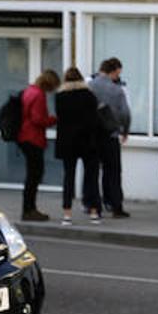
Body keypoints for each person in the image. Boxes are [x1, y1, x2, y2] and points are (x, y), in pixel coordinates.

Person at [52, 67, 100, 226]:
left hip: (68, 142)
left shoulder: (60, 97)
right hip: (88, 140)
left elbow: (60, 118)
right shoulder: (89, 96)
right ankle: (94, 213)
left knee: (68, 177)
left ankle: (67, 214)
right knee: (91, 177)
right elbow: (95, 119)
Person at [88, 57, 131, 218]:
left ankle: (93, 206)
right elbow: (125, 113)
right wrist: (125, 131)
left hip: (92, 135)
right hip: (110, 135)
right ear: (113, 71)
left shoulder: (89, 86)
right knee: (113, 171)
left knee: (92, 171)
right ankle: (115, 206)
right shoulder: (116, 90)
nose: (118, 78)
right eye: (117, 74)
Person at [16, 68, 60, 221]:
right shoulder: (39, 95)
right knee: (34, 175)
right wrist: (53, 119)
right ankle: (29, 210)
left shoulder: (29, 91)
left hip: (24, 136)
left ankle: (29, 209)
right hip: (33, 138)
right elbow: (38, 119)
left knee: (32, 175)